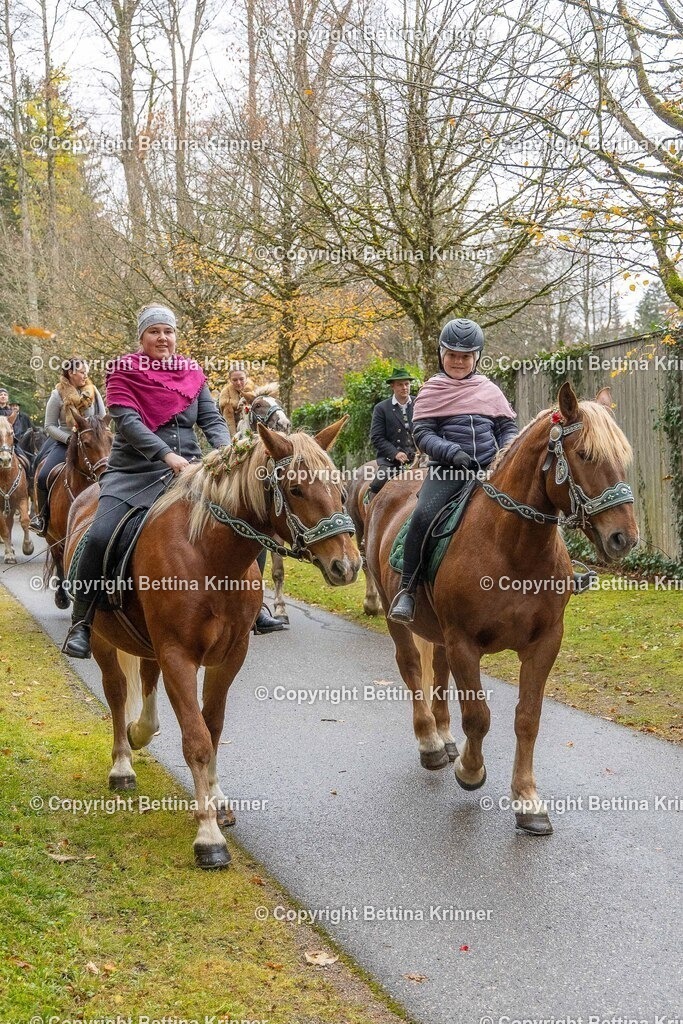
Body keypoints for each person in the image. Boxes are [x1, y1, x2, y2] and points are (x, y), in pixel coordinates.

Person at [388, 319, 518, 624]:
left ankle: (562, 570)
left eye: (465, 356)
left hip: (492, 468)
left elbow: (506, 426)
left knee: (534, 504)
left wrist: (507, 449)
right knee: (421, 515)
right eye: (452, 355)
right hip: (449, 472)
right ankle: (408, 589)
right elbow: (423, 433)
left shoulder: (489, 389)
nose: (458, 361)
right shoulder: (432, 390)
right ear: (441, 354)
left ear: (477, 357)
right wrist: (452, 453)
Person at [31, 358, 106, 536]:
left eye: (86, 371)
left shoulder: (93, 391)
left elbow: (102, 417)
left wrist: (96, 435)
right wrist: (69, 439)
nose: (85, 375)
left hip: (91, 442)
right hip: (66, 442)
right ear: (71, 373)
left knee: (111, 471)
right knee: (42, 476)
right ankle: (42, 518)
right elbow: (49, 425)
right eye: (82, 372)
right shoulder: (57, 394)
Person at [367, 368, 417, 498]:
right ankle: (370, 507)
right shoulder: (382, 408)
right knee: (377, 485)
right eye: (400, 384)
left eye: (407, 384)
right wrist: (395, 453)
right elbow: (376, 437)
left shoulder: (419, 403)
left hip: (419, 457)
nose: (404, 387)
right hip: (392, 461)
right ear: (392, 386)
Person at [218, 367, 255, 436]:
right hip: (237, 433)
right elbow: (227, 420)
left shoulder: (254, 391)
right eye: (235, 380)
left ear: (246, 378)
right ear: (230, 380)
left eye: (241, 379)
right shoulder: (226, 397)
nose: (238, 383)